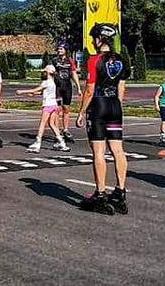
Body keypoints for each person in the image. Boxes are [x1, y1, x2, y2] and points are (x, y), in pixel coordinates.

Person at [76, 23, 130, 215]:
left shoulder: (94, 60)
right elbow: (121, 86)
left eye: (94, 39)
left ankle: (100, 194)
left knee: (99, 151)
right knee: (118, 150)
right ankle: (120, 191)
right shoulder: (121, 60)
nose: (92, 42)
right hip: (115, 105)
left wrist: (81, 112)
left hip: (98, 105)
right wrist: (117, 106)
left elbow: (89, 90)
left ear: (100, 39)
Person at [17, 65, 70, 153]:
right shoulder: (52, 82)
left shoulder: (46, 82)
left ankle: (38, 143)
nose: (43, 73)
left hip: (48, 105)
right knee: (52, 124)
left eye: (45, 71)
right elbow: (42, 92)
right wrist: (34, 94)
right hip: (54, 105)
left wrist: (22, 91)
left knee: (42, 124)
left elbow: (35, 90)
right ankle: (61, 142)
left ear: (48, 72)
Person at [51, 42, 82, 142]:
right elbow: (49, 73)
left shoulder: (70, 60)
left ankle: (66, 129)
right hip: (57, 87)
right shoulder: (54, 61)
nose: (59, 50)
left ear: (65, 50)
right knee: (57, 109)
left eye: (61, 49)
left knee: (66, 108)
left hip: (67, 86)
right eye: (58, 49)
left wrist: (78, 87)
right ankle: (57, 131)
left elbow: (74, 73)